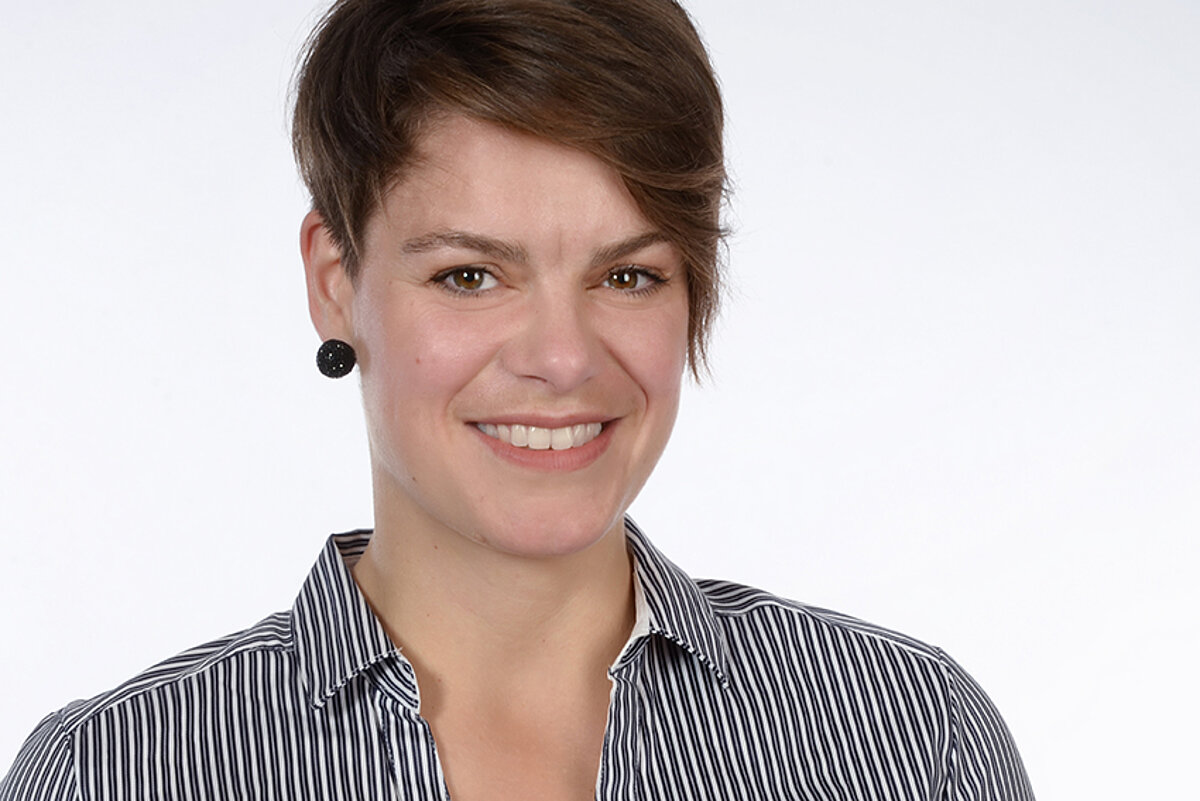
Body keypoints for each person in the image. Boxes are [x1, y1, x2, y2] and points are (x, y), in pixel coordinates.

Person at [2, 0, 1034, 798]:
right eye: (470, 275)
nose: (561, 358)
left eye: (627, 275)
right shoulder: (116, 772)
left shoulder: (910, 740)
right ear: (334, 282)